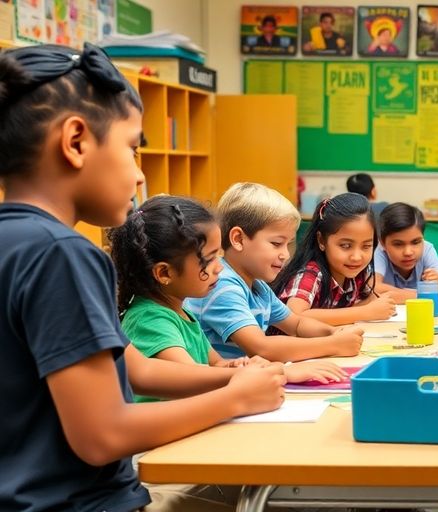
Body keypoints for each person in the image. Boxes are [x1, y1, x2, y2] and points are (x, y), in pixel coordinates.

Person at [0, 43, 285, 511]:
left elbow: (138, 369)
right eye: (132, 148)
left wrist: (229, 377)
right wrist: (236, 400)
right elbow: (102, 435)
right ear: (75, 142)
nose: (138, 176)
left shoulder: (20, 242)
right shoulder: (63, 254)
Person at [111, 196, 346, 402]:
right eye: (209, 260)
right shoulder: (150, 318)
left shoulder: (182, 312)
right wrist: (281, 372)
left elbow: (216, 365)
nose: (219, 269)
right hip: (158, 448)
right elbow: (191, 377)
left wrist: (240, 365)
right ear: (165, 273)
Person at [186, 183, 364, 362]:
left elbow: (296, 324)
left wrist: (334, 332)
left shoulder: (258, 286)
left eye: (288, 244)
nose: (285, 254)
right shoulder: (223, 286)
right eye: (277, 243)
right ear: (238, 239)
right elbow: (261, 348)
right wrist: (333, 344)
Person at [273, 193, 397, 324]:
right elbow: (294, 315)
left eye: (366, 246)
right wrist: (366, 312)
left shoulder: (356, 276)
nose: (356, 257)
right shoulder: (311, 274)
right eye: (345, 246)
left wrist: (371, 305)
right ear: (321, 240)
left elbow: (370, 297)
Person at [372, 202, 438, 301]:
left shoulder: (427, 248)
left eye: (416, 242)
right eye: (398, 244)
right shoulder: (378, 251)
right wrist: (422, 295)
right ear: (382, 243)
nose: (408, 252)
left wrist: (395, 294)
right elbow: (373, 288)